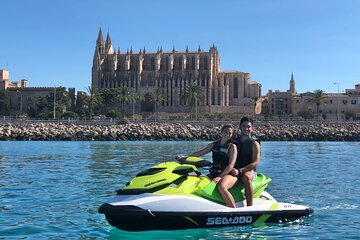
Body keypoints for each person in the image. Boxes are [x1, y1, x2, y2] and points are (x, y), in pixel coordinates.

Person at [181, 124, 238, 208]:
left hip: (228, 174)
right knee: (198, 183)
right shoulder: (214, 145)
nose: (227, 134)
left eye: (230, 133)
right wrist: (186, 157)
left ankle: (234, 211)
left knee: (222, 187)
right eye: (225, 132)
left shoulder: (232, 147)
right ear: (221, 133)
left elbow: (231, 165)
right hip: (214, 173)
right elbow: (200, 153)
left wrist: (220, 177)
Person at [231, 116, 261, 207]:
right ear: (240, 127)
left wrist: (240, 170)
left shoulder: (254, 143)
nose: (246, 129)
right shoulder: (234, 141)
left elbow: (255, 163)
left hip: (249, 170)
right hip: (235, 170)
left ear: (252, 128)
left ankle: (249, 207)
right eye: (244, 126)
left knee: (246, 178)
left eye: (248, 127)